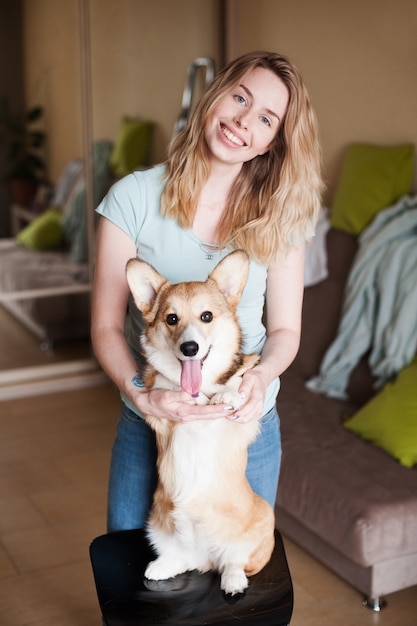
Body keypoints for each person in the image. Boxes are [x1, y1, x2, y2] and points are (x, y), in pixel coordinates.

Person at [91, 51, 323, 534]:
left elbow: (284, 331)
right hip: (150, 420)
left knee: (236, 584)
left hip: (243, 422)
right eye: (240, 97)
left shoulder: (282, 222)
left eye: (265, 118)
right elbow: (107, 326)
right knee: (134, 574)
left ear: (271, 143)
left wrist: (260, 379)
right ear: (215, 96)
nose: (242, 120)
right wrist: (143, 397)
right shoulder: (132, 198)